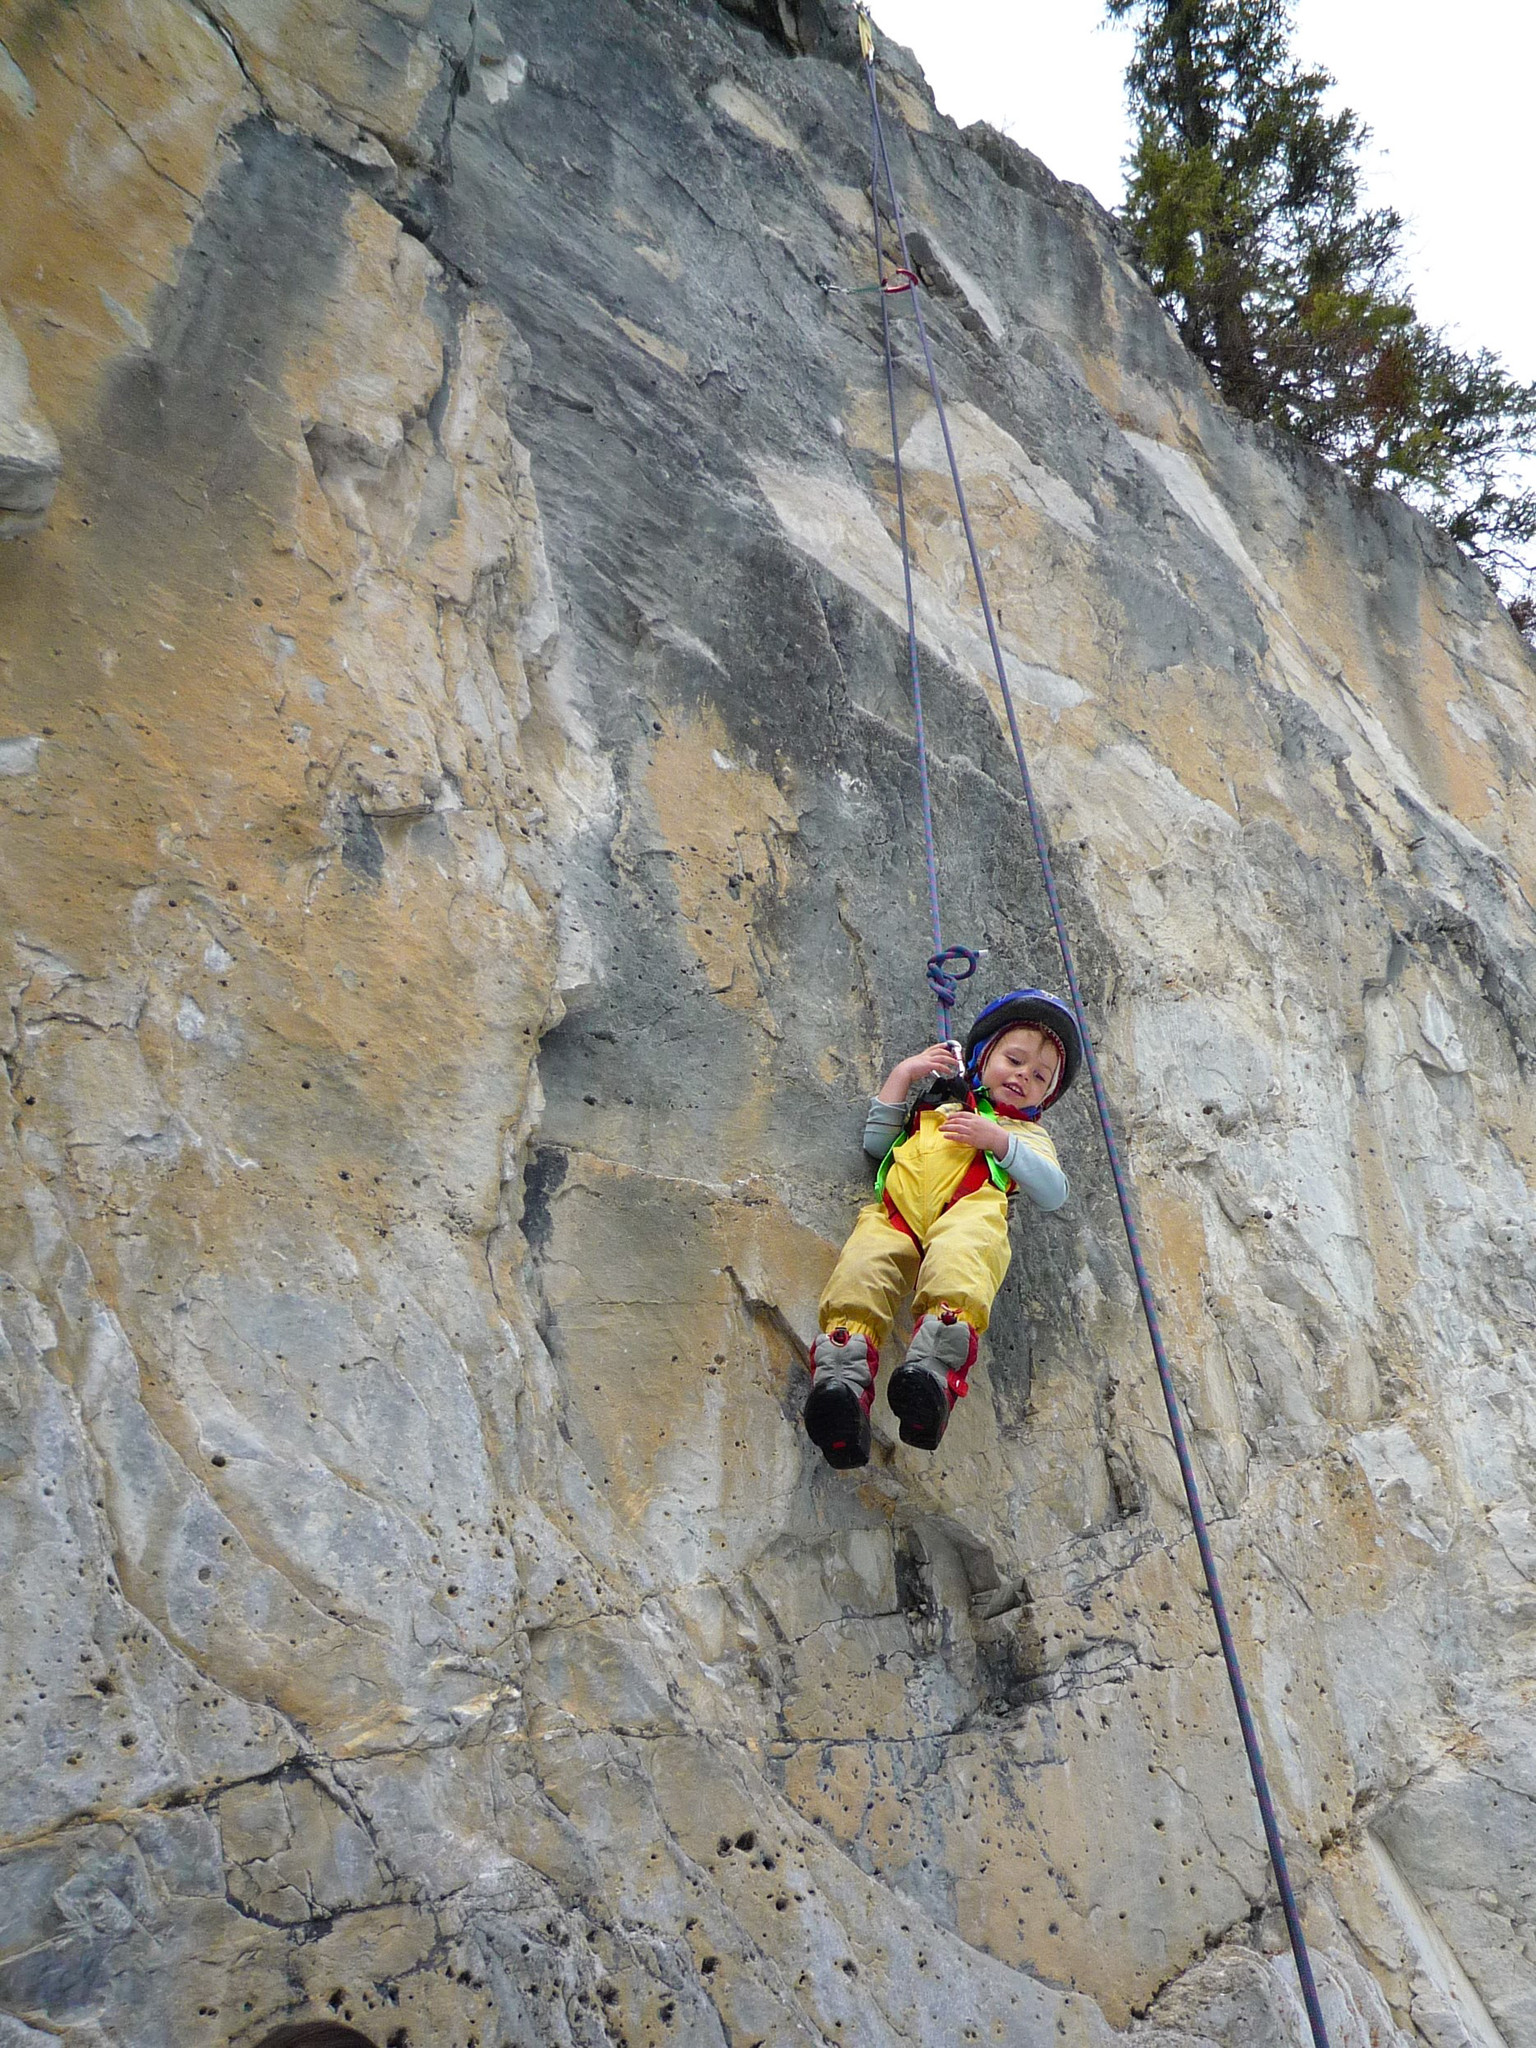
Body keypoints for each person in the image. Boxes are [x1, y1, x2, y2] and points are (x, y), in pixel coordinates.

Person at [804, 989, 1081, 1468]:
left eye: (1039, 1076)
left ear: (1046, 1096)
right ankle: (841, 1390)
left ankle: (930, 1378)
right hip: (896, 1215)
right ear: (981, 1058)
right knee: (861, 1269)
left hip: (966, 1211)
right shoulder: (937, 1107)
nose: (1022, 1076)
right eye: (1013, 1060)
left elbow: (1053, 1191)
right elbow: (877, 1143)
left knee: (963, 1258)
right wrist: (904, 1075)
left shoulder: (1025, 1135)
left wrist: (998, 1141)